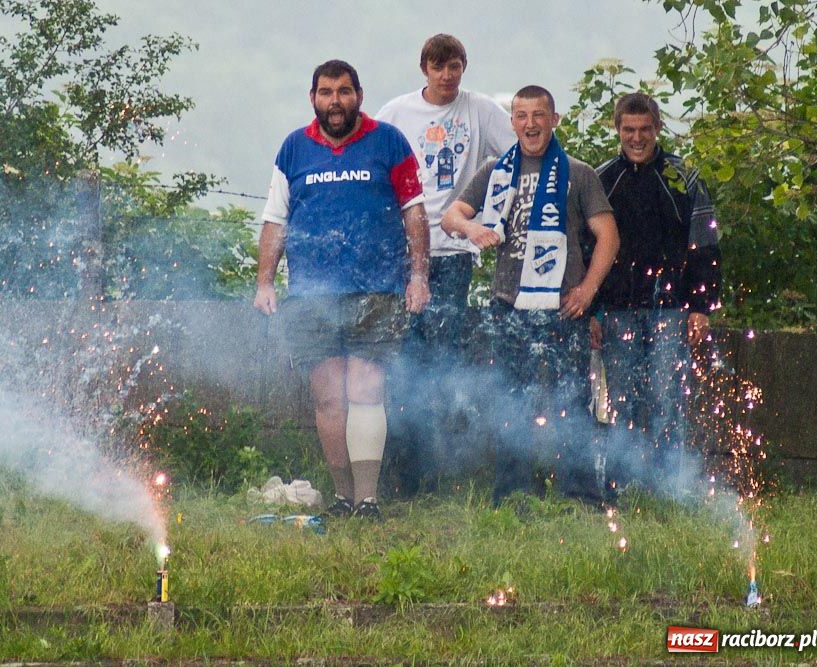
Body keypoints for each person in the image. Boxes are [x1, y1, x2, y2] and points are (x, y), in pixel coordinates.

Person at [254, 60, 430, 520]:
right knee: (328, 397)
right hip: (311, 297)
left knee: (366, 391)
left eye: (345, 91)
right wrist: (265, 282)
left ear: (359, 95)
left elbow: (414, 212)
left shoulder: (388, 141)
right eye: (327, 92)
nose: (336, 101)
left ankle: (368, 500)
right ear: (312, 97)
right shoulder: (294, 148)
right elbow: (276, 220)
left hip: (377, 291)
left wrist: (418, 275)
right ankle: (343, 496)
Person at [441, 85, 619, 504]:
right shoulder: (494, 171)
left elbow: (608, 236)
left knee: (573, 402)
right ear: (512, 123)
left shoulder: (578, 173)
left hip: (563, 308)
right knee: (509, 402)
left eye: (539, 115)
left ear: (554, 120)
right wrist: (473, 229)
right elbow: (451, 216)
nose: (530, 124)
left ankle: (580, 494)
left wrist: (588, 290)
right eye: (521, 116)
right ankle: (513, 491)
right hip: (508, 305)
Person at [375, 34, 515, 494]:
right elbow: (375, 169)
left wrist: (488, 213)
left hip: (454, 252)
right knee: (401, 360)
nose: (448, 75)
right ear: (425, 70)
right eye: (439, 68)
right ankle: (403, 475)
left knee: (442, 362)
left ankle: (437, 472)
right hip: (403, 251)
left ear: (464, 67)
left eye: (455, 66)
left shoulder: (480, 110)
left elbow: (516, 158)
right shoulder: (397, 113)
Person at [591, 92, 721, 491]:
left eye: (644, 129)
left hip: (671, 310)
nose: (636, 137)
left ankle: (669, 488)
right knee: (623, 403)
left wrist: (701, 307)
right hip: (616, 310)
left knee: (667, 401)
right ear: (617, 130)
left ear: (658, 128)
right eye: (628, 130)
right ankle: (624, 487)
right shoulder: (601, 179)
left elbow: (706, 245)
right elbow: (586, 249)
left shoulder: (684, 178)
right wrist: (592, 312)